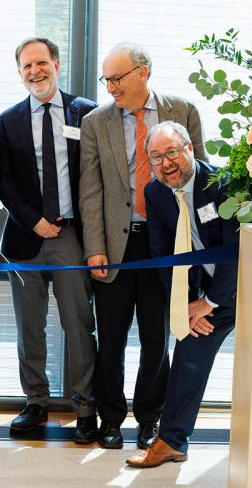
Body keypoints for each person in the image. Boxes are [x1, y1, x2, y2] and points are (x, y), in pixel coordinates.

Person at [79, 41, 207, 450]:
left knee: (158, 337)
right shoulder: (95, 121)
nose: (110, 87)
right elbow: (90, 189)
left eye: (117, 78)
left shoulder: (182, 110)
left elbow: (199, 177)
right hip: (117, 247)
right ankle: (111, 417)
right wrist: (94, 247)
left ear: (143, 73)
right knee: (111, 337)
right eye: (107, 79)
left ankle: (150, 417)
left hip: (168, 245)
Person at [0, 37, 98, 442]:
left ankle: (85, 408)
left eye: (41, 63)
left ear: (56, 64)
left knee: (78, 325)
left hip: (73, 237)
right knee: (30, 328)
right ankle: (35, 402)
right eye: (26, 66)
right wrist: (32, 220)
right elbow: (3, 181)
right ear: (19, 73)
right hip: (26, 239)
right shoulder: (8, 120)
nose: (35, 71)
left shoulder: (86, 112)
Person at [126, 121, 238, 467]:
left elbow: (238, 251)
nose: (165, 163)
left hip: (248, 287)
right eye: (156, 157)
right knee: (188, 347)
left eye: (172, 152)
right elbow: (166, 258)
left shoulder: (224, 183)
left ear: (189, 148)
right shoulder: (156, 193)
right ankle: (172, 441)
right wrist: (188, 306)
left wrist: (209, 303)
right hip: (205, 294)